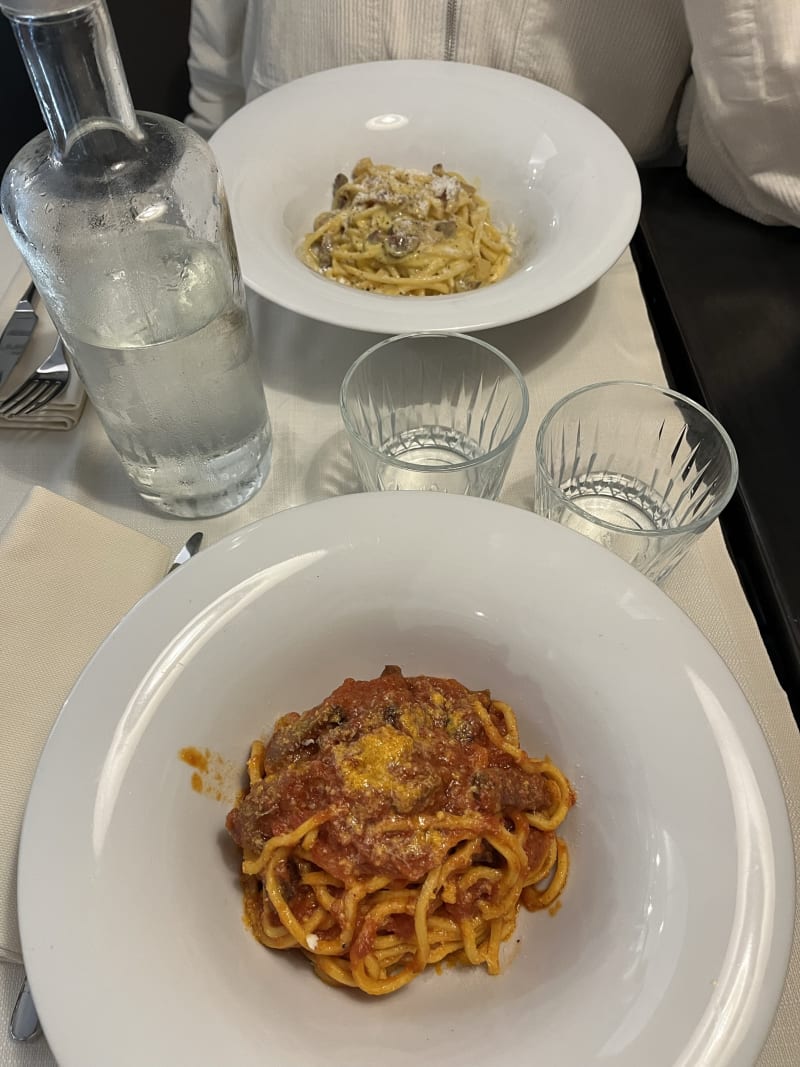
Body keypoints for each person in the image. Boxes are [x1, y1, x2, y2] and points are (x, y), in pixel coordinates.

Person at [185, 0, 800, 227]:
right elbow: (219, 68)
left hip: (604, 279)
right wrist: (201, 201)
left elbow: (773, 184)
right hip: (274, 245)